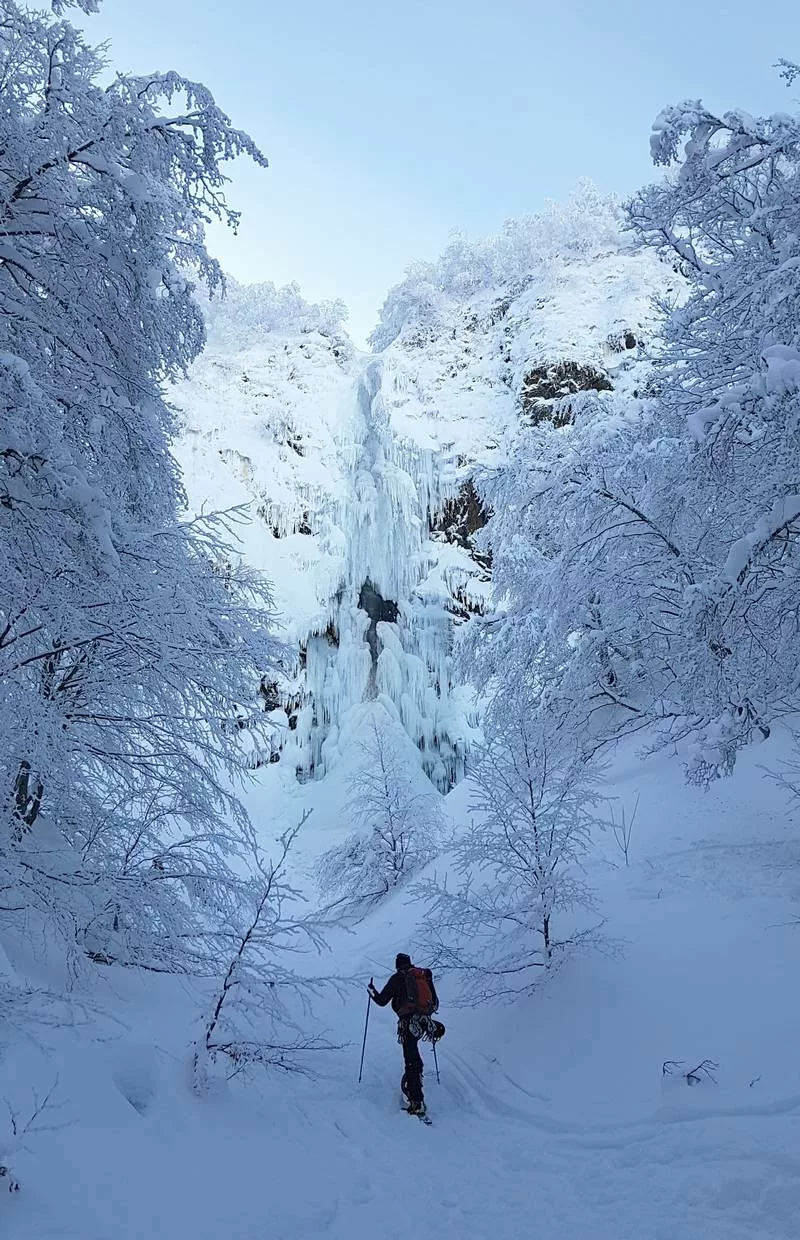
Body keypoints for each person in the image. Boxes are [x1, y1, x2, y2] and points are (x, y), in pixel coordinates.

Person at [367, 952, 443, 1116]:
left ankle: (416, 1101)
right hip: (424, 1021)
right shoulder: (422, 976)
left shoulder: (397, 978)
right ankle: (415, 1084)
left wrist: (371, 990)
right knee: (414, 1056)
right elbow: (435, 1002)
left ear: (397, 965)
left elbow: (382, 1001)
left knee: (410, 1060)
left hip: (408, 1023)